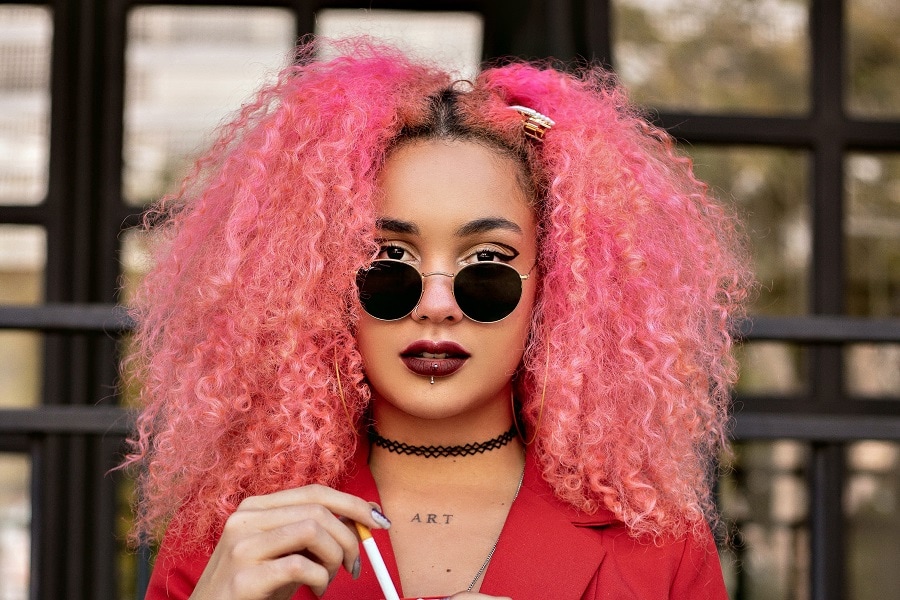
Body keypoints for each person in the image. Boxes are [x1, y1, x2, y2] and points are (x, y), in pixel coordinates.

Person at [122, 38, 751, 600]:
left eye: (487, 264)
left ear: (557, 287)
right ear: (317, 280)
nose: (436, 303)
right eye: (388, 259)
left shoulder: (658, 547)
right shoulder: (236, 535)